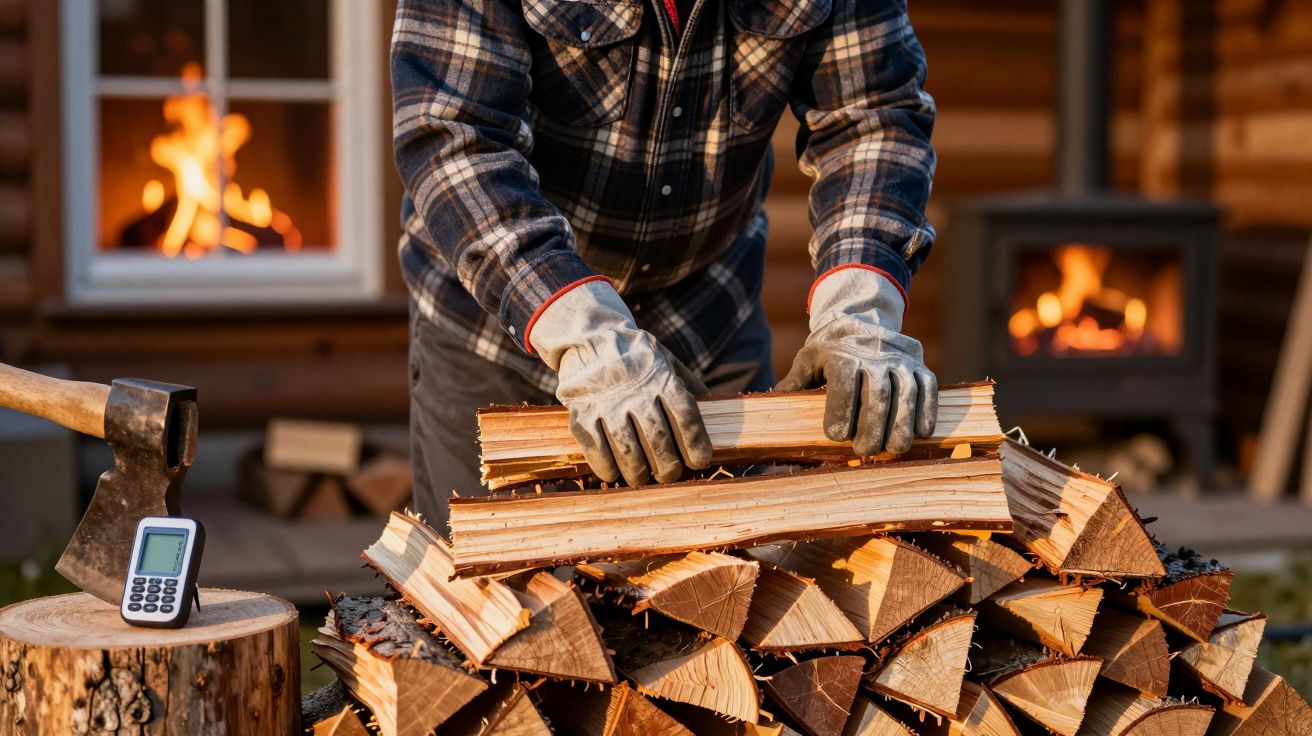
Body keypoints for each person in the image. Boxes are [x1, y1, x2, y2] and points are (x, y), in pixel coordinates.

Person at [394, 0, 939, 530]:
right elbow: (453, 139)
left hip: (708, 310)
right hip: (496, 329)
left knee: (745, 591)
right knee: (501, 610)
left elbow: (874, 119)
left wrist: (859, 306)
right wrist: (582, 332)